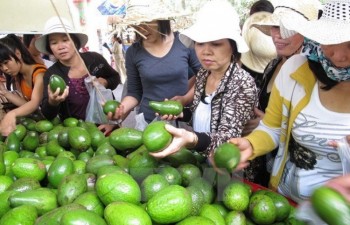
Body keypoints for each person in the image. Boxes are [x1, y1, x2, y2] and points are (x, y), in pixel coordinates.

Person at [230, 0, 350, 203]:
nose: (338, 55)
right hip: (285, 201)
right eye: (330, 41)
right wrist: (251, 145)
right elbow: (273, 128)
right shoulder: (294, 70)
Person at [147, 0, 258, 159]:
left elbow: (228, 141)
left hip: (230, 168)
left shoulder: (242, 84)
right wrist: (181, 114)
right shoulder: (203, 75)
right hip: (202, 161)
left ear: (232, 46)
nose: (206, 51)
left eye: (216, 44)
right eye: (200, 43)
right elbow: (202, 116)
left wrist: (192, 139)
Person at [241, 0, 321, 187]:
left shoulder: (319, 75)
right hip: (267, 162)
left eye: (287, 29)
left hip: (302, 174)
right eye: (275, 27)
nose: (278, 35)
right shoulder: (273, 66)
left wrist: (270, 124)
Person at [110, 0, 201, 125]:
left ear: (161, 19)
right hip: (149, 121)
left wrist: (185, 99)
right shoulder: (133, 52)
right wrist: (121, 109)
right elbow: (134, 92)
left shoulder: (184, 42)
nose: (141, 28)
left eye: (147, 21)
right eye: (136, 23)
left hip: (183, 118)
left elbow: (204, 75)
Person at [35, 16, 120, 133]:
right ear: (50, 48)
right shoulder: (52, 74)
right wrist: (53, 101)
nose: (60, 47)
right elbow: (47, 114)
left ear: (74, 41)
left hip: (108, 125)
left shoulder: (94, 59)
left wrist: (105, 82)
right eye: (54, 43)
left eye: (65, 40)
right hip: (78, 135)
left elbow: (115, 78)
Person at [0, 34, 47, 136]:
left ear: (18, 54)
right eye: (0, 65)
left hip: (52, 124)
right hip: (38, 125)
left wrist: (11, 114)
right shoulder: (19, 76)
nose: (4, 68)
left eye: (6, 62)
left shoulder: (39, 73)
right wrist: (5, 93)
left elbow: (34, 104)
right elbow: (25, 104)